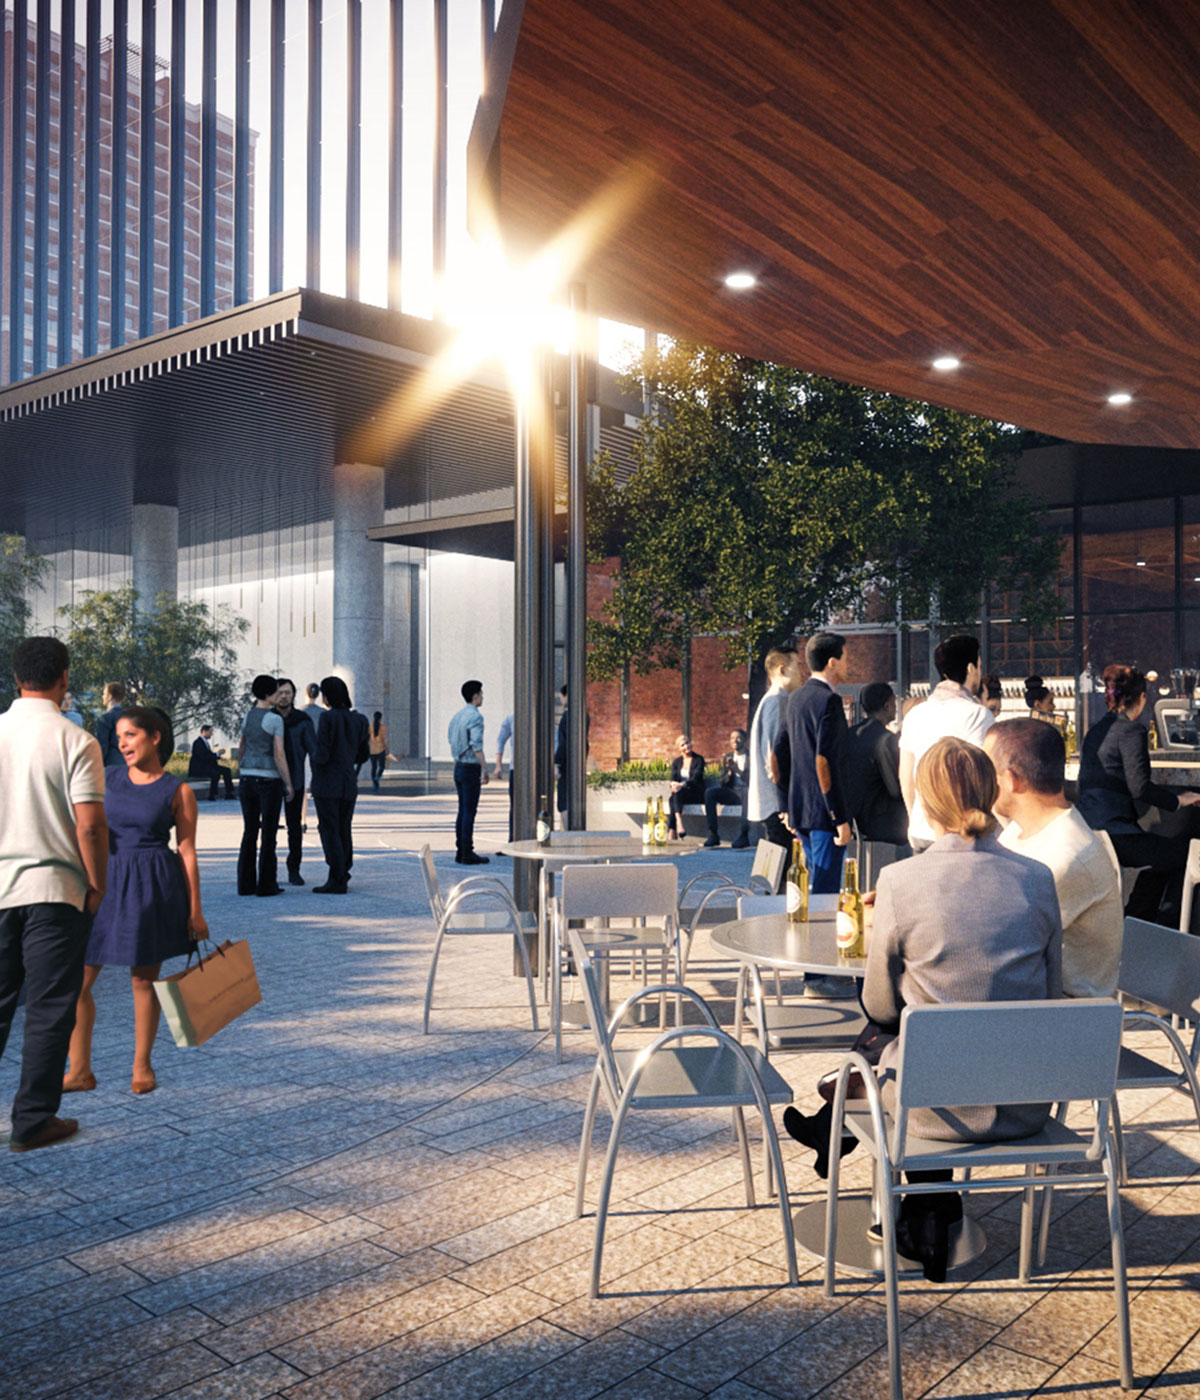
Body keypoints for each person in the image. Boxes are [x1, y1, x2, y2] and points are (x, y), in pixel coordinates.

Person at [782, 737, 1063, 1279]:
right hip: (1025, 1102)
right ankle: (926, 1210)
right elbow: (1050, 995)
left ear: (925, 803)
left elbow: (880, 1004)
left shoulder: (901, 881)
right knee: (929, 1040)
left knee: (891, 1041)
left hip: (929, 1111)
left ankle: (874, 1162)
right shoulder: (1037, 879)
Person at [64, 706, 207, 1096]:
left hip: (151, 886)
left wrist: (196, 910)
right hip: (103, 882)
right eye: (120, 736)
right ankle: (79, 1070)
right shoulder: (107, 778)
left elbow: (188, 851)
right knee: (76, 981)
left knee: (143, 982)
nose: (122, 743)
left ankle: (142, 1065)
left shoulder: (178, 791)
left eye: (130, 735)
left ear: (155, 737)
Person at [0, 636, 107, 1153]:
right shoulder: (76, 740)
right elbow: (89, 826)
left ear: (16, 676)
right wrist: (97, 885)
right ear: (64, 677)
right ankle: (33, 1120)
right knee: (48, 1007)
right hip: (54, 891)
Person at [986, 719, 1122, 998]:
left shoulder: (1065, 857)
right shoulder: (1019, 833)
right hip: (1035, 1004)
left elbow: (995, 944)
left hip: (1064, 1023)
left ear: (1011, 779)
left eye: (986, 771)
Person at [1076, 663, 1200, 925]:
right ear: (1142, 698)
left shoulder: (1095, 731)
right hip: (1117, 834)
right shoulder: (1132, 730)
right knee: (1185, 854)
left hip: (1091, 831)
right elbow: (1139, 787)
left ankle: (1137, 920)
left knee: (1160, 859)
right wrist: (1178, 799)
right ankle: (1147, 923)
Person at [771, 631, 856, 997]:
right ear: (832, 661)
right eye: (846, 657)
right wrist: (839, 816)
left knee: (812, 895)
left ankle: (815, 972)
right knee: (824, 894)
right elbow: (824, 761)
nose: (849, 663)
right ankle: (817, 977)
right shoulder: (828, 702)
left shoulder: (796, 698)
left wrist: (784, 805)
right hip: (823, 816)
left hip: (801, 812)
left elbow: (778, 755)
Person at [899, 634, 994, 851]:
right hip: (963, 834)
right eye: (979, 666)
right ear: (971, 668)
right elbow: (983, 776)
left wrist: (915, 819)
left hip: (922, 829)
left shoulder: (915, 714)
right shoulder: (978, 715)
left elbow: (906, 777)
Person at [747, 644, 803, 885]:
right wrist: (785, 805)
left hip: (773, 805)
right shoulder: (776, 701)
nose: (803, 672)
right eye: (798, 666)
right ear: (782, 669)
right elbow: (774, 757)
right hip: (776, 807)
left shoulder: (775, 700)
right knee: (780, 880)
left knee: (775, 877)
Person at [311, 675, 370, 893]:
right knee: (344, 828)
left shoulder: (328, 719)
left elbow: (323, 753)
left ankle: (336, 876)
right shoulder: (360, 720)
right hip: (348, 782)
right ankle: (343, 870)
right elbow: (363, 754)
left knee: (329, 829)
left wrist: (314, 758)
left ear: (327, 696)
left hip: (327, 783)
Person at [237, 675, 294, 897]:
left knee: (249, 831)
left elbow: (242, 747)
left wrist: (242, 767)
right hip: (268, 780)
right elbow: (279, 755)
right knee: (268, 833)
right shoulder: (275, 720)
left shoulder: (247, 717)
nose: (279, 696)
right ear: (269, 694)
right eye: (276, 692)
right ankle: (267, 885)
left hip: (246, 779)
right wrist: (288, 783)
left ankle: (245, 884)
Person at [844, 681, 908, 848]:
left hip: (853, 818)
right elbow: (895, 789)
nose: (896, 707)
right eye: (894, 702)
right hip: (880, 822)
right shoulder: (885, 740)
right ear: (887, 705)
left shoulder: (850, 734)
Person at [273, 680, 316, 885]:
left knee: (294, 827)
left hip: (296, 778)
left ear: (294, 695)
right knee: (269, 827)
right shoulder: (268, 718)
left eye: (288, 693)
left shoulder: (302, 720)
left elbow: (313, 749)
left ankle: (294, 869)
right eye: (280, 693)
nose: (284, 697)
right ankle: (268, 871)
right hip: (271, 779)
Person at [449, 679, 490, 864]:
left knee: (462, 810)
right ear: (475, 697)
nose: (482, 697)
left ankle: (460, 849)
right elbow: (476, 745)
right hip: (470, 768)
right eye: (481, 694)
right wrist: (485, 768)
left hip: (458, 767)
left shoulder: (457, 716)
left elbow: (451, 738)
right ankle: (467, 851)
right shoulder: (476, 717)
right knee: (469, 811)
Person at [703, 729, 750, 848]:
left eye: (738, 737)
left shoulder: (751, 756)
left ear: (744, 740)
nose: (735, 740)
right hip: (732, 792)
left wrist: (736, 769)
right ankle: (713, 834)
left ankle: (744, 835)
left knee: (746, 792)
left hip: (747, 791)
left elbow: (751, 780)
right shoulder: (728, 757)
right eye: (732, 738)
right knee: (710, 793)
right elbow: (722, 782)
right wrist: (729, 774)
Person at [554, 685, 591, 818]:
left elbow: (564, 743)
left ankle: (568, 834)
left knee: (564, 803)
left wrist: (556, 763)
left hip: (566, 765)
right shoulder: (584, 715)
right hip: (578, 764)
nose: (561, 701)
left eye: (561, 697)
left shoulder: (567, 716)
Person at [667, 733, 706, 839]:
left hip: (695, 793)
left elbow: (696, 778)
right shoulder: (677, 762)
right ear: (679, 749)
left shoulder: (699, 759)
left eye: (687, 743)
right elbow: (673, 778)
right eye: (682, 745)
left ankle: (673, 828)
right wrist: (673, 784)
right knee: (674, 795)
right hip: (681, 795)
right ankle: (678, 821)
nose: (686, 746)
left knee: (673, 798)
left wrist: (682, 785)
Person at [188, 723, 234, 800]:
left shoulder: (205, 742)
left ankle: (229, 793)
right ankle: (212, 795)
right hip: (200, 767)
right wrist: (217, 754)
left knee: (227, 770)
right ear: (204, 731)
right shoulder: (198, 743)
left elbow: (208, 755)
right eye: (210, 732)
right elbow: (203, 757)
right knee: (215, 774)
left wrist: (218, 754)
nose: (211, 734)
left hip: (208, 766)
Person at [494, 712, 515, 843]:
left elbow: (500, 740)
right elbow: (500, 740)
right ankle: (513, 840)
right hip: (517, 768)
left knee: (515, 807)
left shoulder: (512, 718)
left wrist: (498, 765)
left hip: (517, 769)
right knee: (515, 806)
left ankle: (513, 840)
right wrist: (498, 765)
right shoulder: (511, 719)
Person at [93, 682, 126, 765]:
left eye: (104, 694)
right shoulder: (129, 716)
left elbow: (102, 746)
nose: (102, 696)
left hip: (111, 764)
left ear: (110, 697)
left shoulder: (105, 718)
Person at [368, 711, 388, 791]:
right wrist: (387, 748)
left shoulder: (370, 727)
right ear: (380, 718)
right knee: (382, 767)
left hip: (372, 750)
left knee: (374, 767)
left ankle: (374, 783)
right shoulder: (383, 727)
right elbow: (384, 739)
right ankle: (377, 778)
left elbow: (368, 738)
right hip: (381, 749)